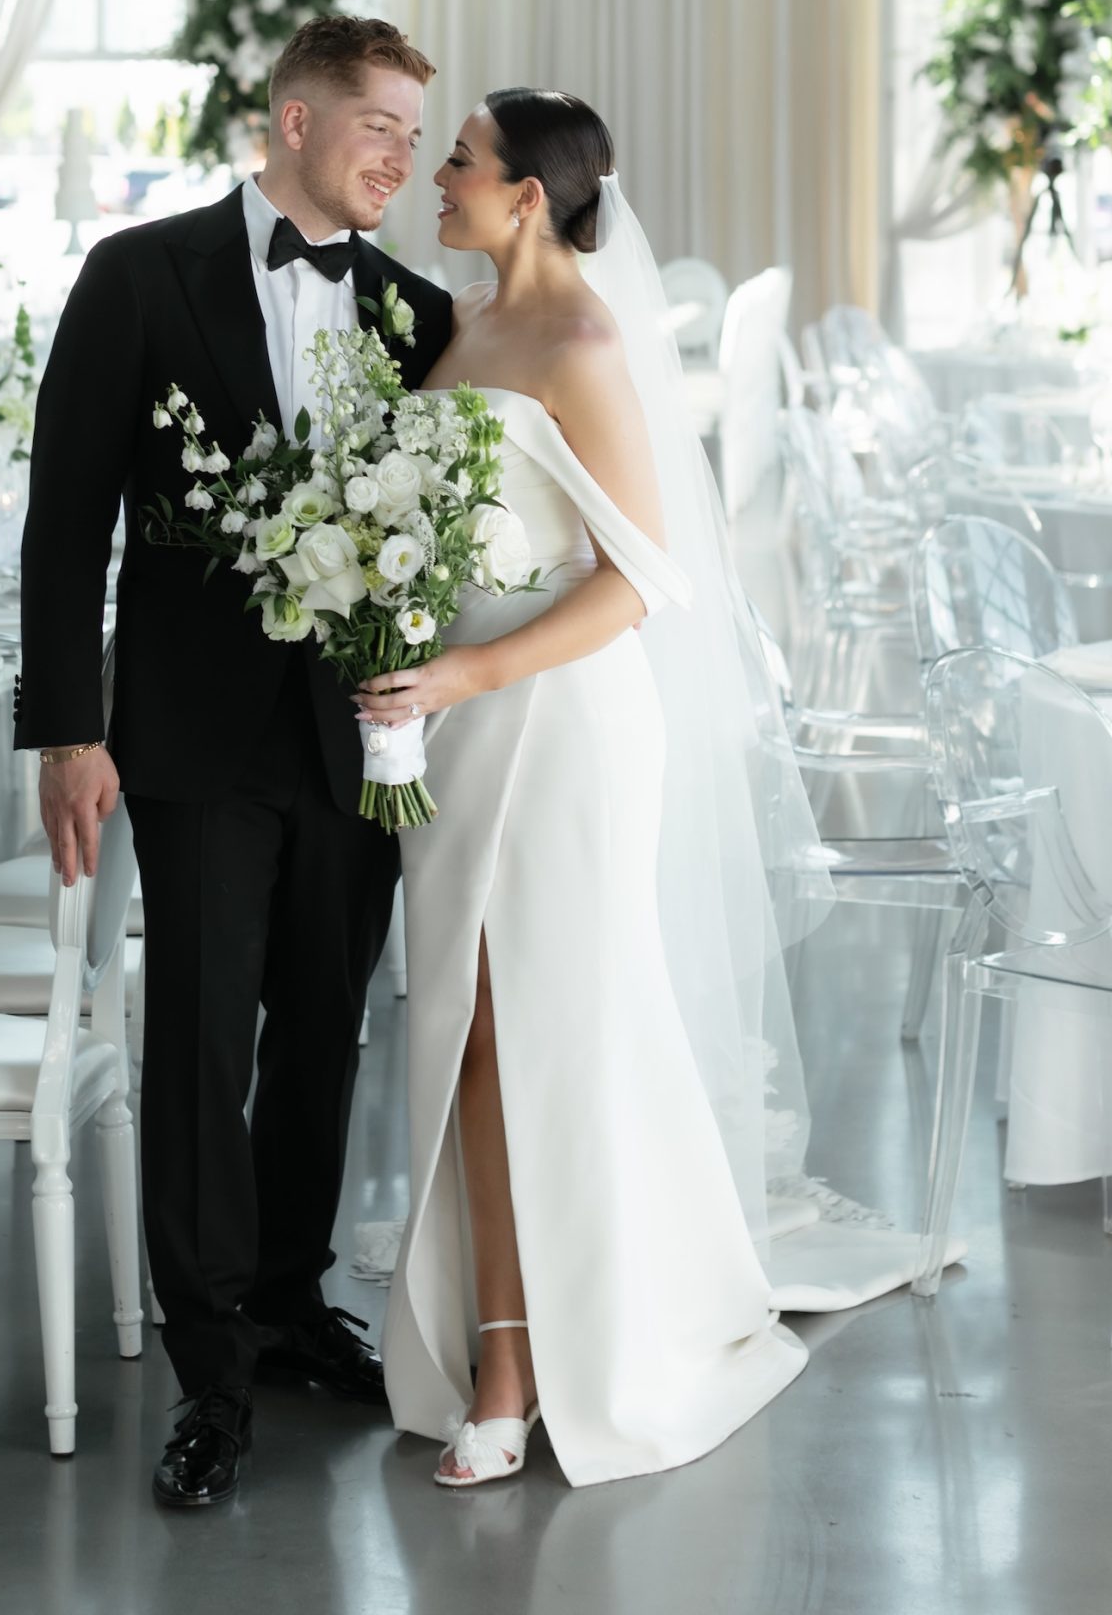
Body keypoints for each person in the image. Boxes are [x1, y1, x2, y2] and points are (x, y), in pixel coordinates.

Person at [16, 15, 454, 1512]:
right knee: (201, 1041)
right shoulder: (140, 275)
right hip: (193, 739)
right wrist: (70, 728)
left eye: (415, 129)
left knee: (325, 1028)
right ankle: (208, 1372)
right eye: (377, 124)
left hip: (357, 735)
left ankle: (285, 1299)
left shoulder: (410, 309)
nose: (399, 153)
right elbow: (66, 517)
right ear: (290, 121)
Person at [361, 90, 814, 1489]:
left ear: (531, 197)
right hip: (454, 714)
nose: (437, 177)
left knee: (551, 1022)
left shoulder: (584, 339)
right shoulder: (456, 322)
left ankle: (534, 1360)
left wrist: (471, 680)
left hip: (556, 717)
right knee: (470, 1033)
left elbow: (641, 576)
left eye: (461, 162)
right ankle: (510, 1336)